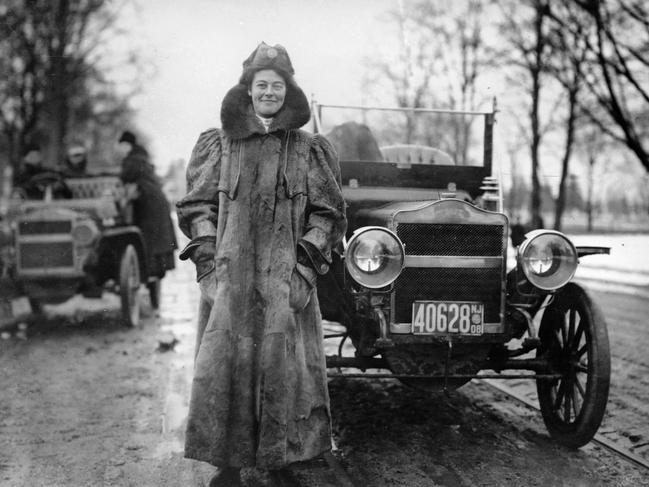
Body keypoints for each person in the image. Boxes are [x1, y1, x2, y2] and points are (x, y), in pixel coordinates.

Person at [176, 42, 347, 486]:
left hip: (285, 285)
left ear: (288, 93)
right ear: (247, 91)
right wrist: (210, 268)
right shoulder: (220, 145)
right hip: (230, 283)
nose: (269, 92)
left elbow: (328, 214)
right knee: (226, 369)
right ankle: (227, 464)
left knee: (288, 371)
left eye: (277, 85)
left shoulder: (309, 149)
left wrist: (304, 272)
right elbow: (196, 208)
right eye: (261, 85)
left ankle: (282, 459)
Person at [117, 130, 177, 279]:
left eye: (122, 145)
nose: (121, 150)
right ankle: (155, 270)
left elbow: (124, 177)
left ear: (127, 145)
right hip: (155, 200)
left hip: (148, 201)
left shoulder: (132, 160)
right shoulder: (141, 157)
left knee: (148, 234)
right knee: (155, 236)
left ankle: (149, 271)